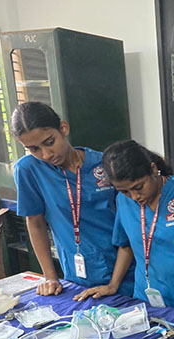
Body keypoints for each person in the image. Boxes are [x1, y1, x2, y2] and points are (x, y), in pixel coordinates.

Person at [12, 101, 133, 297]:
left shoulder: (104, 164)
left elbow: (130, 222)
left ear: (63, 128)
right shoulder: (29, 170)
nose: (46, 154)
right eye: (34, 149)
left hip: (125, 269)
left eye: (49, 142)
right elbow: (35, 222)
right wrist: (50, 277)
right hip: (78, 274)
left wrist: (115, 282)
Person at [74, 140, 174, 310]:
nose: (134, 197)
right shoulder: (123, 201)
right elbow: (126, 246)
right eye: (125, 191)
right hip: (144, 296)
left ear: (153, 169)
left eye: (138, 187)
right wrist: (113, 285)